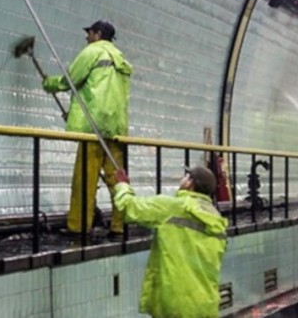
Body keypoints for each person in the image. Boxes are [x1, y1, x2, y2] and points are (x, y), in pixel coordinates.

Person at [43, 20, 133, 240]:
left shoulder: (93, 51)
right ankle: (120, 226)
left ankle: (79, 227)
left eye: (89, 33)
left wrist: (49, 84)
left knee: (85, 178)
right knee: (117, 179)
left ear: (97, 34)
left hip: (93, 126)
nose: (87, 37)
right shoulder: (121, 59)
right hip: (116, 128)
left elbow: (70, 80)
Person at [114, 166, 228, 318]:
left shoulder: (173, 207)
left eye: (186, 176)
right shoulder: (217, 219)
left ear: (190, 183)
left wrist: (123, 185)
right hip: (207, 304)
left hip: (176, 304)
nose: (182, 179)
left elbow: (129, 207)